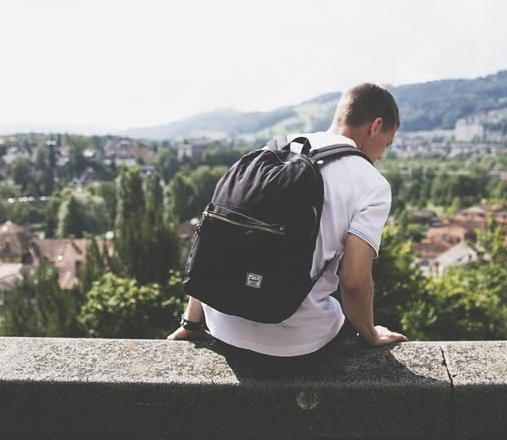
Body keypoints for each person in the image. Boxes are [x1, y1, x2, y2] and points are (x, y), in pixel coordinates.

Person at [168, 82, 408, 360]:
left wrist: (191, 323)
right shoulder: (371, 183)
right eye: (386, 144)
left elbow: (221, 235)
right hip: (296, 346)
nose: (380, 154)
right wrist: (371, 334)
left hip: (222, 327)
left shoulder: (271, 151)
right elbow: (354, 282)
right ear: (375, 126)